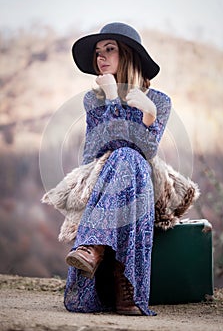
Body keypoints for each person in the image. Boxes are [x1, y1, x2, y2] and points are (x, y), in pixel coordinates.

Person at [64, 22, 171, 316]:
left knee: (131, 159)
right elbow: (94, 152)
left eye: (109, 49)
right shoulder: (93, 100)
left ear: (128, 55)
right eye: (98, 52)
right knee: (124, 156)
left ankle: (93, 248)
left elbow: (146, 152)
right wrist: (112, 98)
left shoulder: (159, 102)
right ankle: (124, 285)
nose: (101, 57)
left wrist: (149, 114)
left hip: (140, 185)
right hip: (104, 178)